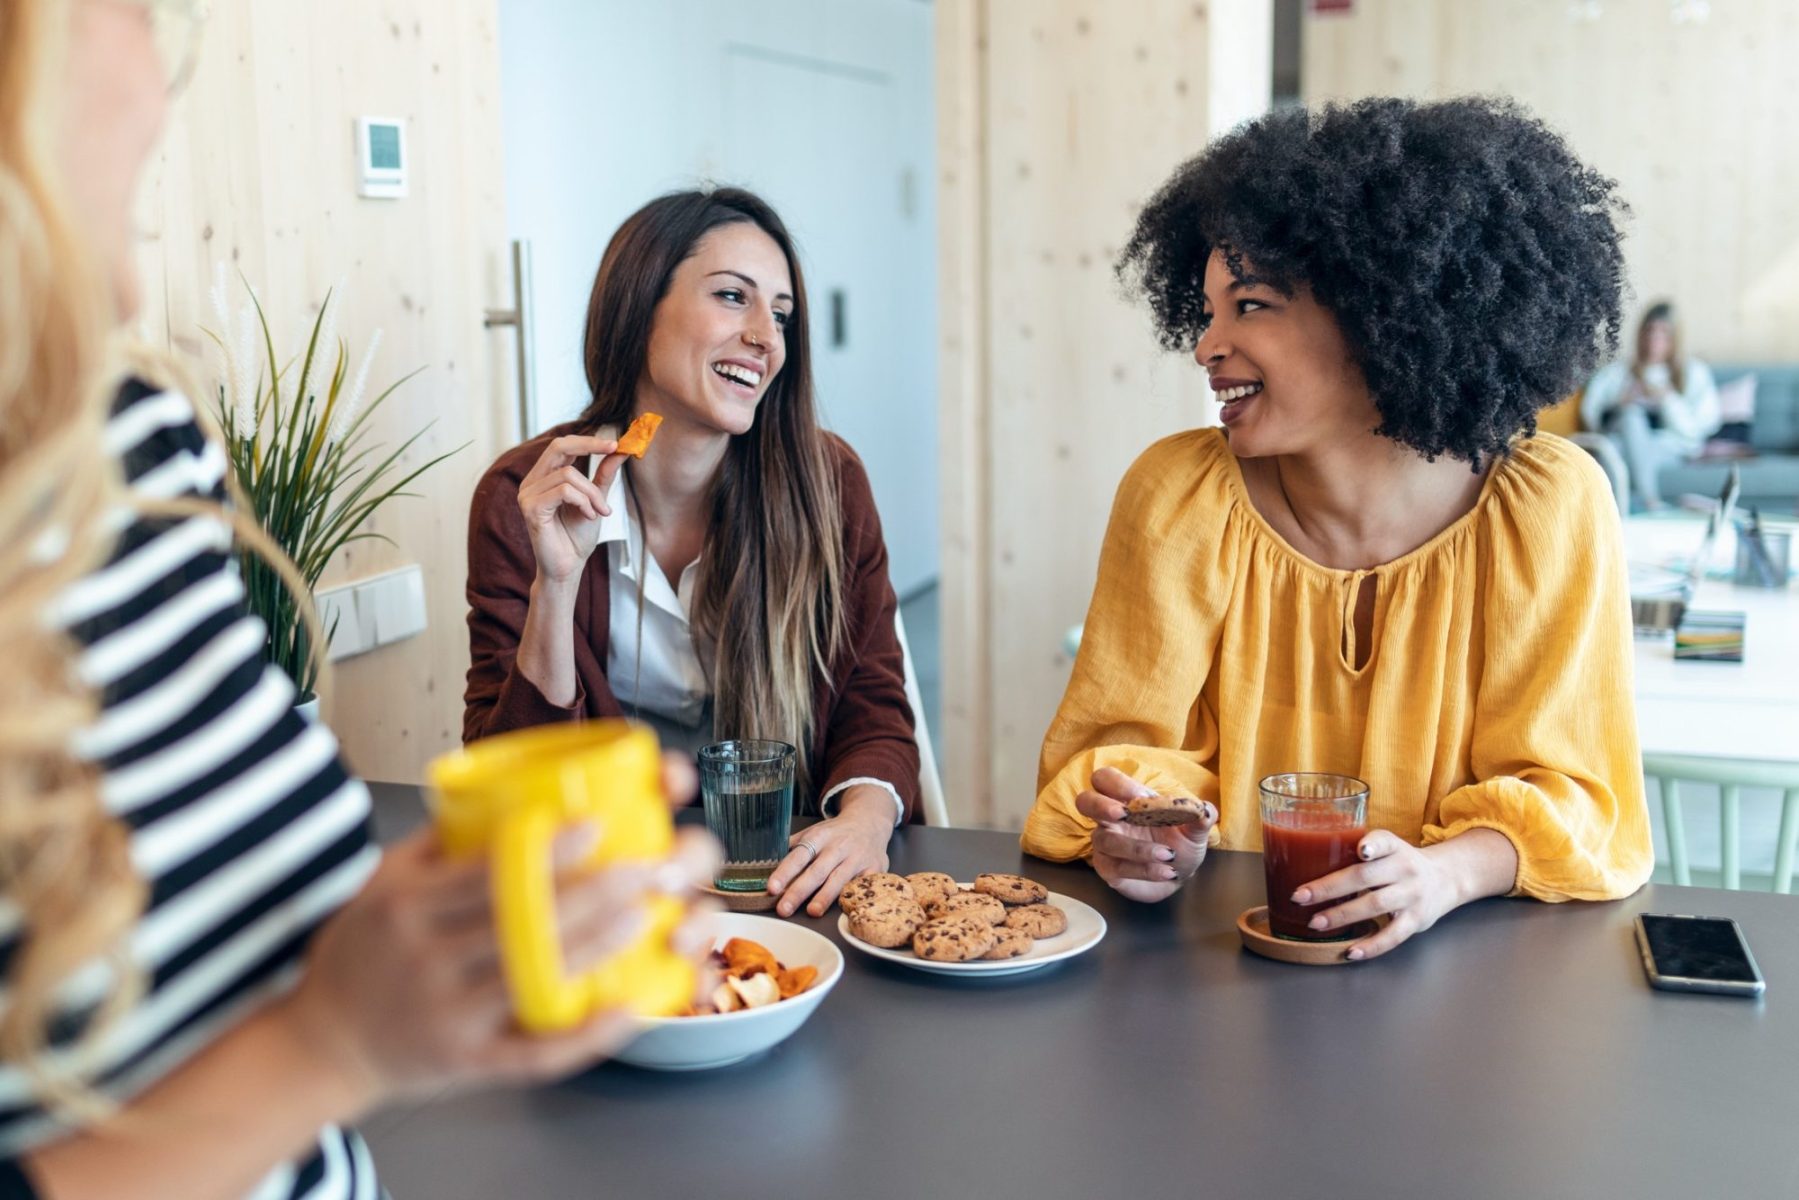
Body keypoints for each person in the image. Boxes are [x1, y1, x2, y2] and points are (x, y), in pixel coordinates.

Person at [0, 3, 716, 1196]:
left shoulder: (131, 441)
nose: (154, 31)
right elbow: (507, 749)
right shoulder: (525, 495)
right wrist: (331, 1044)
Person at [1023, 96, 1653, 960]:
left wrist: (1446, 874)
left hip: (1481, 980)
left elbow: (1577, 792)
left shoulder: (1546, 506)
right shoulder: (1177, 495)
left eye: (1248, 306)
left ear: (1378, 310)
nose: (1206, 345)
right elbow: (1124, 752)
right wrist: (1144, 831)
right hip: (1221, 970)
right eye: (1205, 311)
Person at [464, 188, 921, 920]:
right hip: (605, 889)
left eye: (779, 315)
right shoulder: (525, 495)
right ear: (639, 306)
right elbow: (509, 777)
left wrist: (865, 824)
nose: (765, 338)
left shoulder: (829, 483)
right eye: (732, 297)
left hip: (782, 883)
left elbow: (872, 703)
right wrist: (556, 583)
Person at [1580, 301, 1720, 510]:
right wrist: (1620, 403)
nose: (1654, 339)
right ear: (1640, 334)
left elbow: (1696, 430)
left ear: (1675, 337)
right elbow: (1591, 414)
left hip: (1668, 445)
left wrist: (1666, 399)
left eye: (1663, 332)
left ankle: (1630, 507)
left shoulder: (1693, 372)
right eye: (1650, 331)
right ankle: (1647, 504)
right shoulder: (1618, 373)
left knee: (1615, 449)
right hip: (1622, 437)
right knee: (1627, 422)